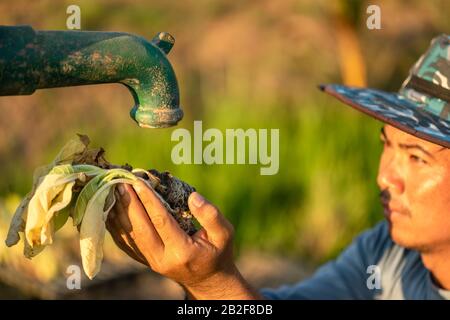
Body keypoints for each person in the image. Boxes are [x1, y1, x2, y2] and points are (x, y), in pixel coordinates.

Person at [106, 34, 450, 300]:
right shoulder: (386, 253)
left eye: (417, 157)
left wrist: (213, 283)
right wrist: (205, 282)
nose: (384, 176)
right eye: (386, 145)